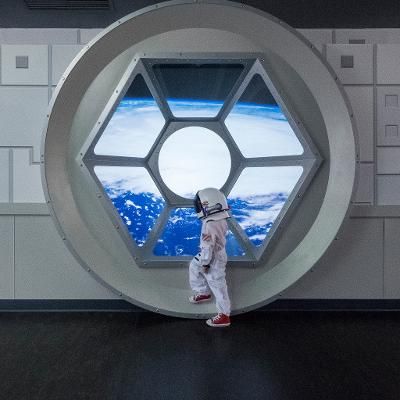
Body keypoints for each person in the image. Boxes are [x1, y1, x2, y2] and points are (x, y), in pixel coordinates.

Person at [188, 187, 231, 327]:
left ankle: (224, 316)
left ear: (208, 205)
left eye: (200, 204)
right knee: (194, 266)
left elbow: (207, 247)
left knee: (217, 284)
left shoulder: (210, 224)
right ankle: (203, 292)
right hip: (217, 253)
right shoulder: (221, 218)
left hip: (213, 258)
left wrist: (205, 263)